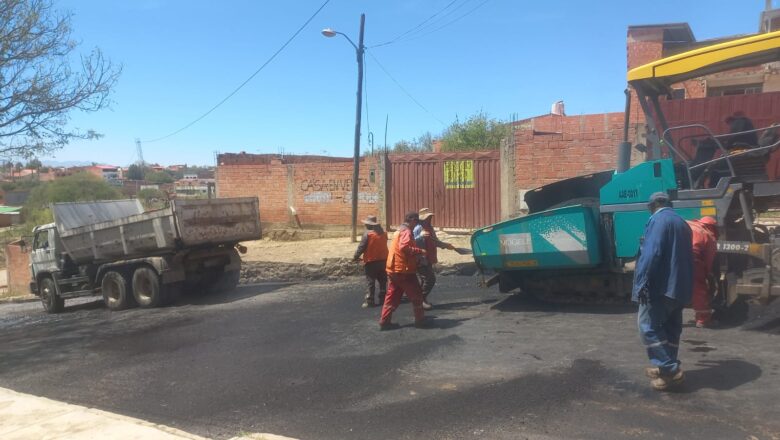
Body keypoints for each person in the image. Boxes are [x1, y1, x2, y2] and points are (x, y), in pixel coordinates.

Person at [632, 192, 693, 391]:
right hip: (679, 287)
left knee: (647, 326)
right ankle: (666, 373)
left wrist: (641, 283)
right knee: (671, 330)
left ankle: (670, 369)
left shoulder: (658, 221)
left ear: (652, 206)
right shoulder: (682, 223)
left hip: (661, 288)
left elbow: (652, 254)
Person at [380, 211, 427, 330]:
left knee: (392, 296)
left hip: (393, 270)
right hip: (404, 271)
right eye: (416, 222)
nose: (417, 225)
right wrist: (419, 251)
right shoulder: (406, 232)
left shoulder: (398, 231)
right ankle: (420, 321)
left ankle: (385, 322)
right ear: (412, 221)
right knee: (417, 295)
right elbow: (404, 247)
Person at [413, 208, 455, 310]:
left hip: (428, 258)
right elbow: (411, 242)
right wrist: (419, 236)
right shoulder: (418, 228)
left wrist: (445, 245)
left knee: (425, 280)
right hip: (420, 259)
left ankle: (421, 301)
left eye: (431, 217)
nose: (430, 219)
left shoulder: (429, 228)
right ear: (423, 218)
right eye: (428, 217)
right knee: (430, 279)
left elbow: (434, 241)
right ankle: (420, 301)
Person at [687, 216, 718, 328]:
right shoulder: (708, 235)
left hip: (671, 258)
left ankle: (665, 319)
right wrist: (707, 274)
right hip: (692, 259)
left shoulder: (688, 224)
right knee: (699, 289)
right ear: (712, 227)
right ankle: (703, 319)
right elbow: (709, 260)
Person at [353, 215, 389, 308]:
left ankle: (370, 300)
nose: (365, 225)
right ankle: (383, 298)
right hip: (383, 260)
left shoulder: (367, 234)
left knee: (371, 281)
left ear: (369, 225)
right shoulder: (384, 233)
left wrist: (355, 257)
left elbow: (361, 247)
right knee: (383, 280)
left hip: (371, 261)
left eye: (366, 224)